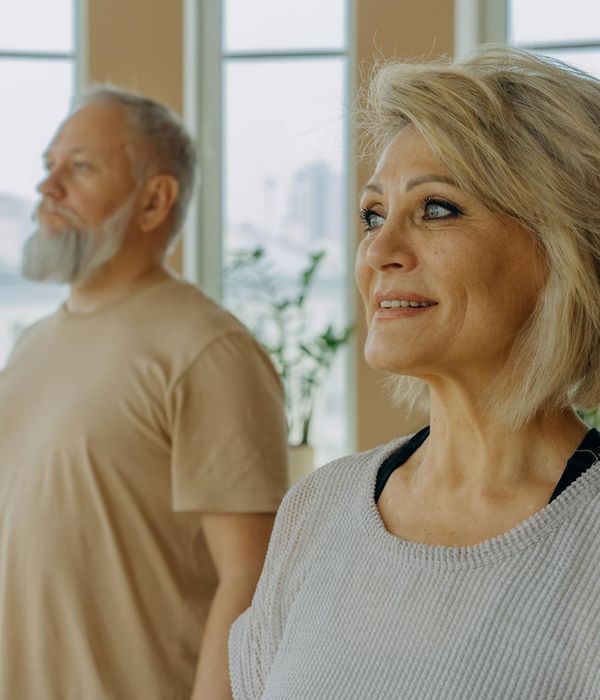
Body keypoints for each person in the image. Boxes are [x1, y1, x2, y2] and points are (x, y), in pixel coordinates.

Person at [229, 46, 600, 699]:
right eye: (374, 215)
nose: (379, 251)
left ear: (559, 245)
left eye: (436, 209)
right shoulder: (317, 511)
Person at [0, 86, 288, 699]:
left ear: (154, 200)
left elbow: (252, 576)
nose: (48, 189)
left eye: (79, 168)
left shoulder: (207, 350)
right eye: (48, 166)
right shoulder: (31, 344)